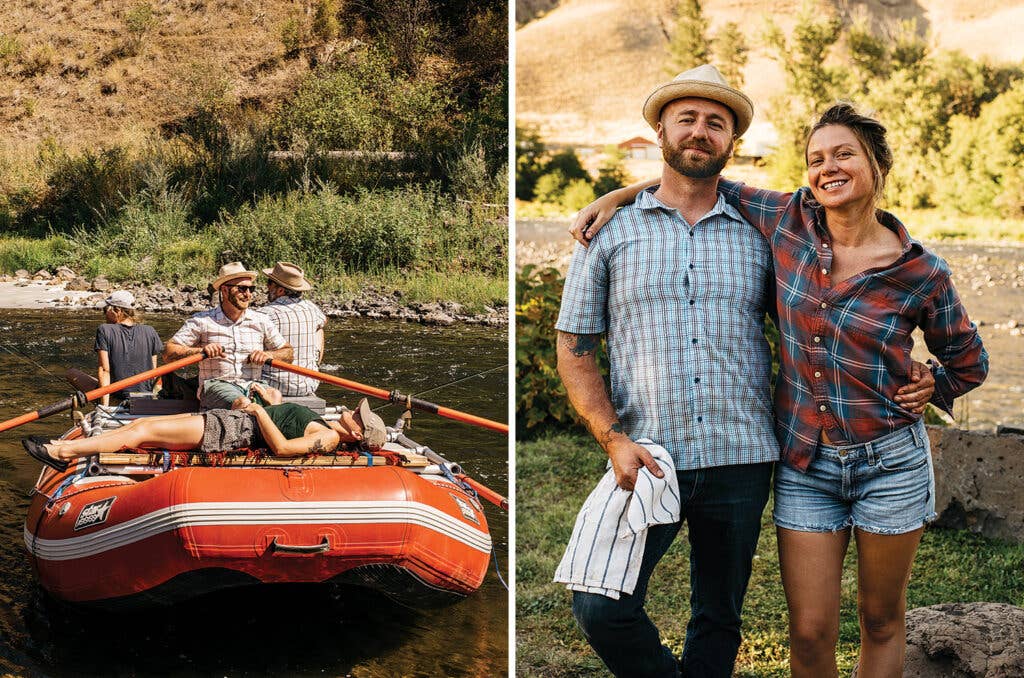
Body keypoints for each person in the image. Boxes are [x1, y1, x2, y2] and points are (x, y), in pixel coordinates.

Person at [571, 97, 988, 676]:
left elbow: (969, 362)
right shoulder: (787, 220)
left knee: (881, 620)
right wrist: (615, 197)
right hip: (805, 462)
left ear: (876, 166)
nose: (829, 168)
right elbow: (694, 169)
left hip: (889, 460)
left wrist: (931, 383)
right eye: (817, 158)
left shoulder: (921, 270)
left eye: (845, 154)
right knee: (811, 630)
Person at [21, 388, 387, 473]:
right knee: (141, 426)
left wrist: (259, 414)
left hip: (233, 431)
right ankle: (63, 449)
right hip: (234, 422)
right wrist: (265, 401)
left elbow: (284, 450)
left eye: (359, 416)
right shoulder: (328, 426)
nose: (355, 410)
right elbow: (284, 420)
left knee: (139, 430)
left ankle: (62, 453)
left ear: (358, 435)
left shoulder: (330, 437)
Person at [162, 262, 294, 410]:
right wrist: (201, 351)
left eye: (251, 289)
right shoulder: (202, 321)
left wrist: (268, 354)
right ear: (225, 290)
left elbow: (288, 353)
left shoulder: (261, 320)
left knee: (275, 395)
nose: (248, 294)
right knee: (243, 403)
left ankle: (271, 430)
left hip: (253, 384)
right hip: (217, 385)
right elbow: (168, 353)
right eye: (242, 289)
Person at [257, 262, 327, 397]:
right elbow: (323, 321)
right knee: (319, 329)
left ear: (280, 290)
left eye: (269, 283)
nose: (267, 286)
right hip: (310, 383)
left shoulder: (264, 314)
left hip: (273, 385)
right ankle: (314, 365)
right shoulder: (311, 307)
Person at [94, 290, 163, 406]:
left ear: (117, 311)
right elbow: (153, 372)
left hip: (119, 395)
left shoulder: (104, 329)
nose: (104, 314)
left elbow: (104, 370)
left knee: (72, 374)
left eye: (106, 310)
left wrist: (103, 407)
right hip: (145, 397)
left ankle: (111, 402)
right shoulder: (150, 330)